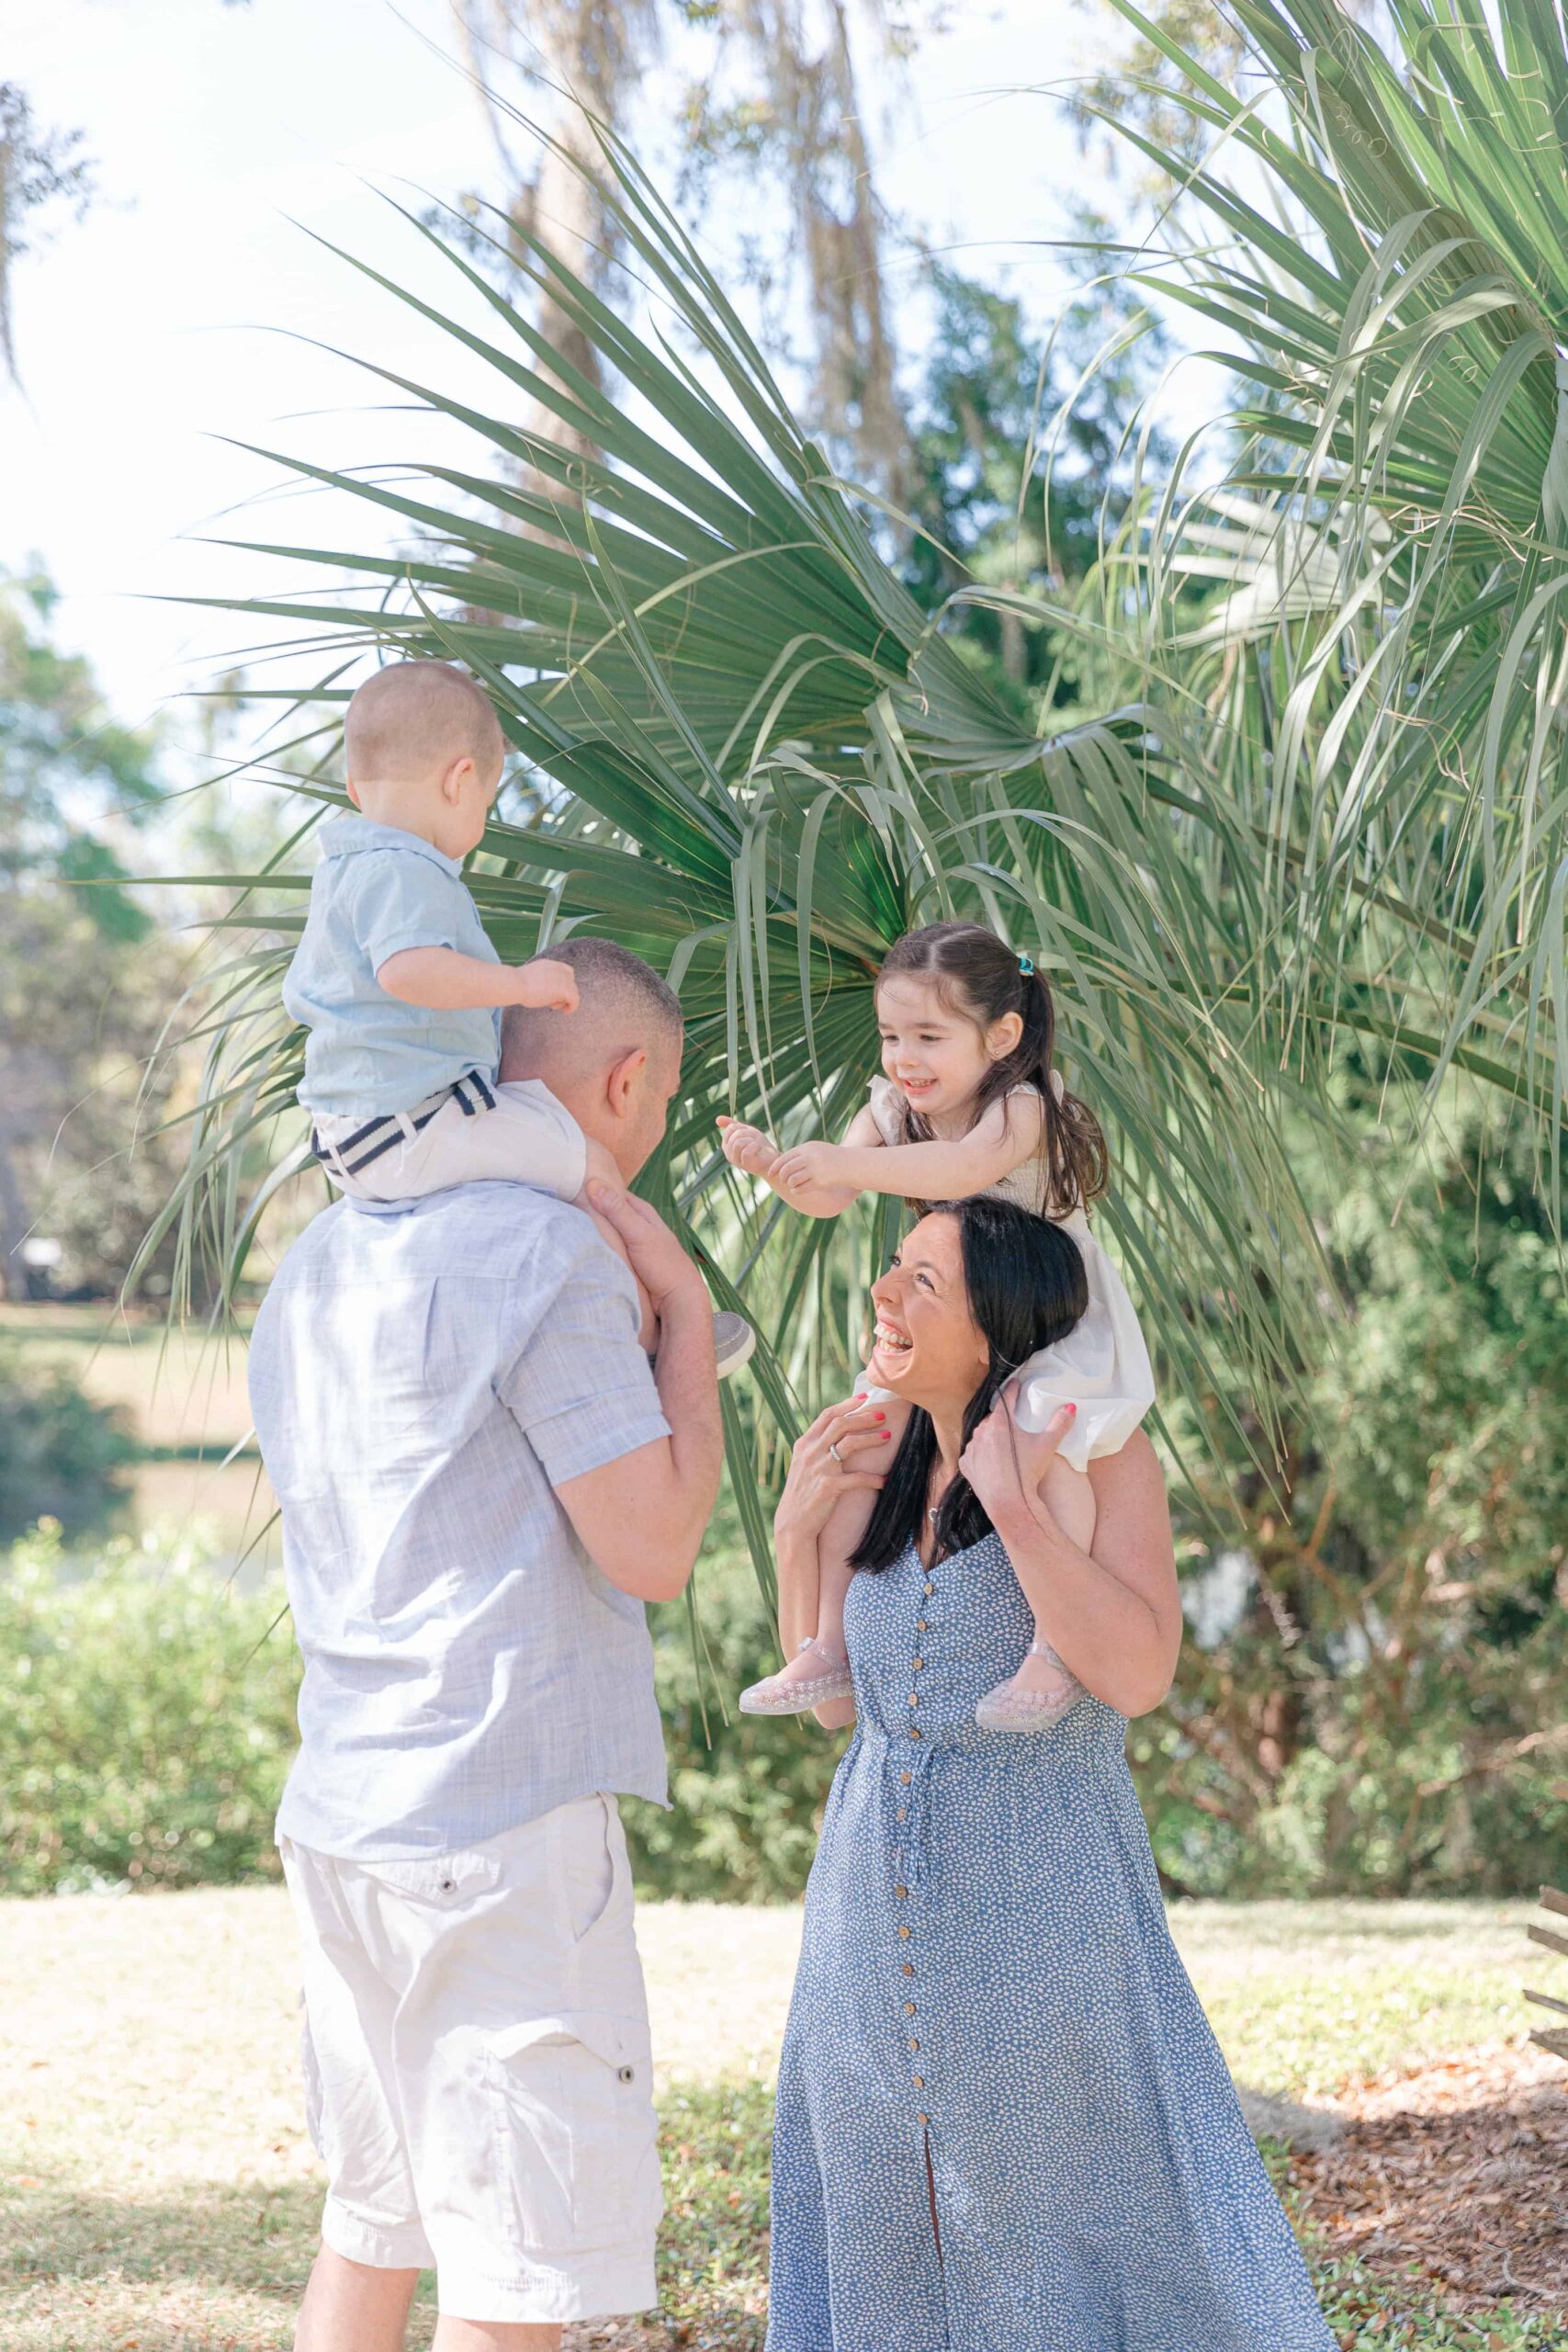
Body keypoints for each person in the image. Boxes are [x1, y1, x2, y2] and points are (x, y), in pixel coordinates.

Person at [249, 937, 725, 2352]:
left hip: (345, 1818)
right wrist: (686, 1318)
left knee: (370, 2228)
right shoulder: (549, 1252)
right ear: (624, 1083)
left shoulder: (320, 1257)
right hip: (498, 1823)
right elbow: (652, 1547)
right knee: (522, 2285)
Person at [763, 1195, 1336, 2352]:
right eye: (894, 1267)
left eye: (924, 1282)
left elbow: (1136, 1670)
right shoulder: (884, 1462)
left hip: (1041, 1903)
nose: (885, 1294)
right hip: (867, 1921)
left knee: (1061, 2232)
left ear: (1002, 1327)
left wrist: (1016, 1503)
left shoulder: (1097, 1455)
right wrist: (792, 1531)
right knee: (887, 2219)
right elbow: (839, 1705)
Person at [722, 919, 1152, 1729]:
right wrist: (775, 1166)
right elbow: (826, 1193)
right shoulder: (891, 1107)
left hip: (1043, 1309)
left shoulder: (1021, 1106)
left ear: (1001, 1035)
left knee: (1045, 1441)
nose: (904, 1058)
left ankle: (1054, 1651)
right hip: (957, 1312)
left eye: (927, 1035)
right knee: (867, 1435)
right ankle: (828, 1643)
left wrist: (845, 1161)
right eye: (890, 1036)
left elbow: (958, 1171)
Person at [285, 656, 750, 1374]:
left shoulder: (347, 868)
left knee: (526, 1139)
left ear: (354, 786)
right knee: (587, 1162)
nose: (478, 821)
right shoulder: (403, 868)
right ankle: (660, 1333)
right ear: (459, 780)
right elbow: (406, 971)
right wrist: (520, 984)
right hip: (405, 1132)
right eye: (486, 802)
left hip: (364, 1135)